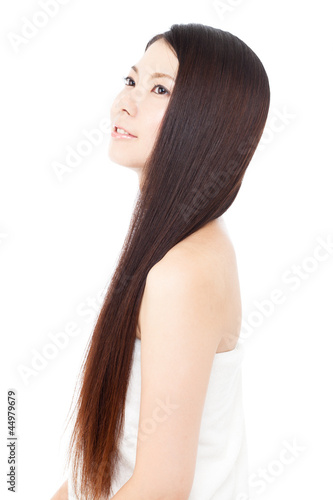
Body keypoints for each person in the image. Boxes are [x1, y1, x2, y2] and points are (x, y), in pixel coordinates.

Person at [51, 22, 270, 500]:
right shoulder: (176, 247)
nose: (124, 102)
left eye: (159, 89)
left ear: (206, 121)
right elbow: (107, 460)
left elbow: (160, 488)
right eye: (131, 81)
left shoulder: (182, 271)